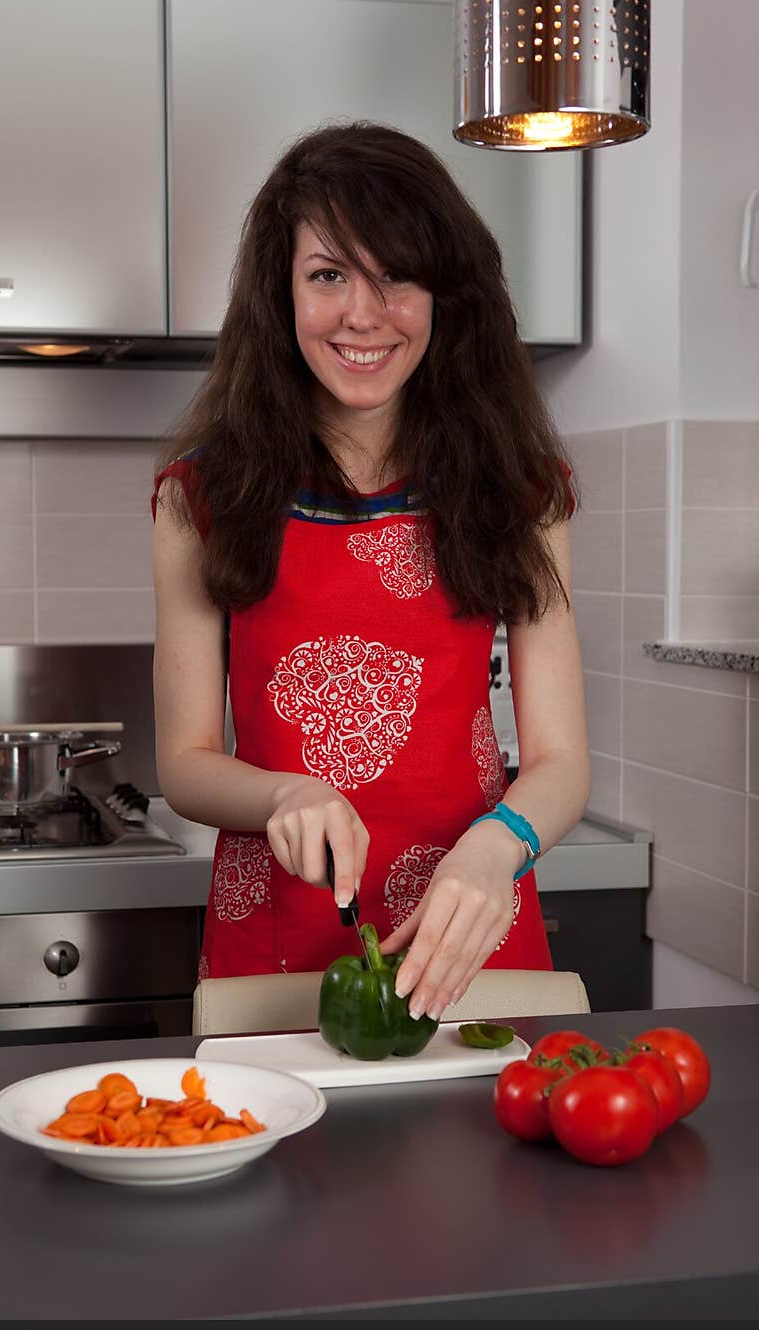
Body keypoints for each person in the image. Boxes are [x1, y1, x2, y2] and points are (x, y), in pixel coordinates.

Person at [151, 120, 590, 1024]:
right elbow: (184, 763)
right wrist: (284, 792)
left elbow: (560, 761)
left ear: (443, 294)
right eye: (328, 275)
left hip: (470, 925)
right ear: (283, 294)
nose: (363, 313)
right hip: (275, 940)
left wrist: (499, 846)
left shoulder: (523, 491)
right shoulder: (201, 498)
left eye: (396, 275)